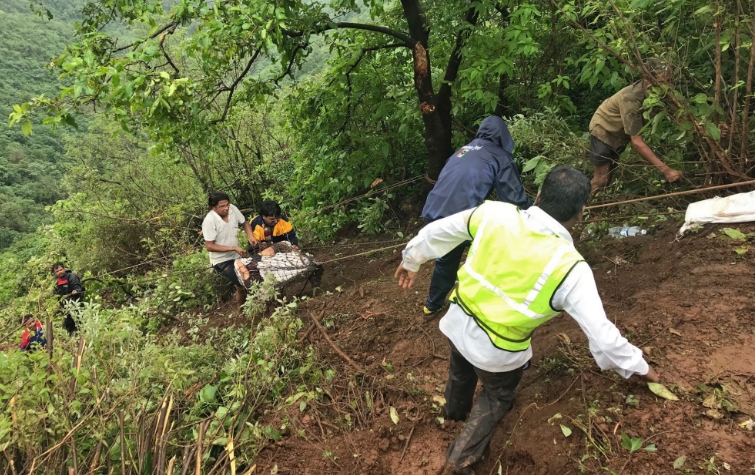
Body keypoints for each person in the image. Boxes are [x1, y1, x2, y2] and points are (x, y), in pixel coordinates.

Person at [394, 166, 659, 475]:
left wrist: (411, 259)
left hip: (457, 322)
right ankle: (458, 459)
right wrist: (640, 367)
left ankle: (453, 413)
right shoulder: (571, 268)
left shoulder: (494, 214)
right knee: (497, 396)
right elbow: (602, 335)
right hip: (498, 354)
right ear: (581, 212)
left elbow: (439, 232)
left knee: (461, 366)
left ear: (539, 195)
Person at [420, 115, 531, 319]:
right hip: (464, 216)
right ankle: (485, 302)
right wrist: (531, 214)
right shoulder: (500, 156)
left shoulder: (461, 151)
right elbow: (514, 200)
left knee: (446, 260)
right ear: (503, 135)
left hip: (436, 212)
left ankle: (432, 306)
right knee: (492, 250)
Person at [589, 58, 683, 191]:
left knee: (609, 175)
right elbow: (637, 143)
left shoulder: (664, 92)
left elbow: (682, 116)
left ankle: (598, 204)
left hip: (620, 134)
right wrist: (666, 170)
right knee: (602, 179)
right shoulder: (632, 99)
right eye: (662, 82)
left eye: (669, 81)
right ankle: (583, 208)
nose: (667, 86)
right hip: (604, 128)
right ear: (648, 81)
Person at [202, 192, 258, 306]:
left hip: (235, 256)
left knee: (251, 278)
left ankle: (252, 306)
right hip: (221, 260)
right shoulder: (209, 221)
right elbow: (209, 246)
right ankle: (242, 311)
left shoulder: (232, 209)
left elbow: (245, 223)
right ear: (213, 207)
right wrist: (233, 248)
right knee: (241, 284)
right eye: (222, 206)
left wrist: (250, 236)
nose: (226, 208)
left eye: (227, 204)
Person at [52, 262, 85, 335]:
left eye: (61, 270)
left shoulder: (71, 276)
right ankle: (71, 339)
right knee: (68, 324)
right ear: (55, 273)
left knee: (79, 322)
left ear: (64, 269)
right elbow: (54, 293)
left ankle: (82, 338)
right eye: (57, 271)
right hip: (65, 307)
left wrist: (76, 291)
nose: (59, 272)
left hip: (76, 304)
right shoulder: (55, 281)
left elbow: (77, 287)